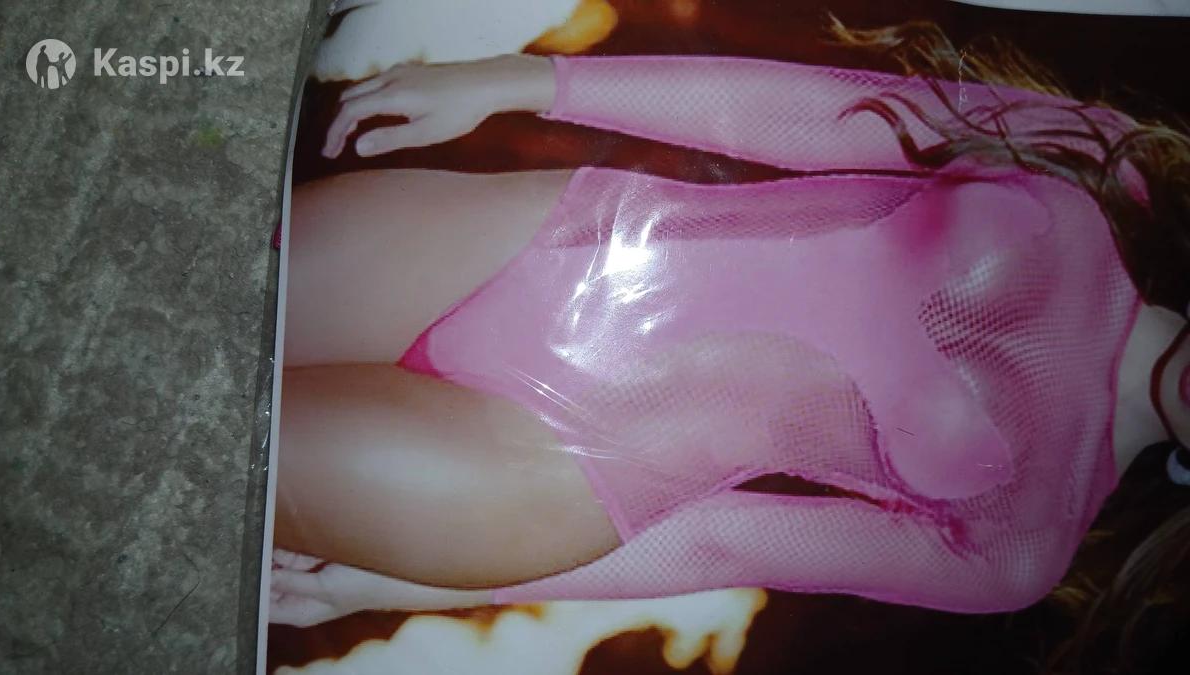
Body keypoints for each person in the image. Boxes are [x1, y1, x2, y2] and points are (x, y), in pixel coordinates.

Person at [270, 20, 1190, 626]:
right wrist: (530, 80)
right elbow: (813, 116)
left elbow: (724, 542)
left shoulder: (1022, 551)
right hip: (564, 237)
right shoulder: (1102, 173)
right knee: (224, 279)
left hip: (559, 476)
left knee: (222, 441)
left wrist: (409, 586)